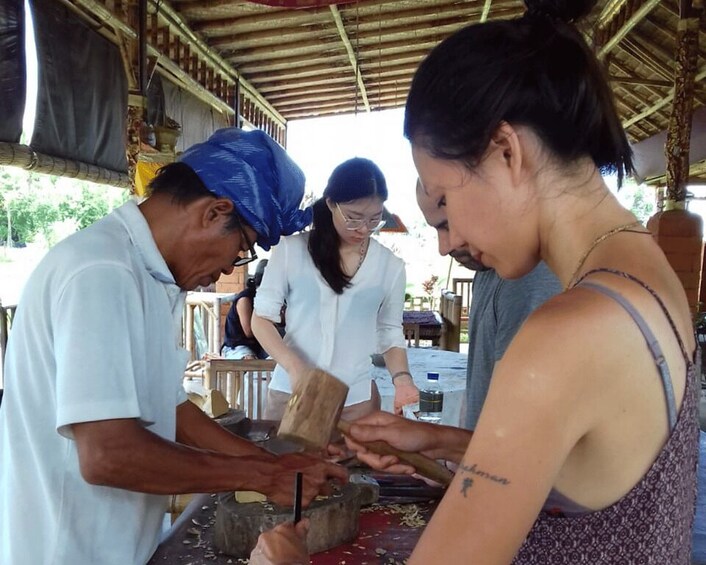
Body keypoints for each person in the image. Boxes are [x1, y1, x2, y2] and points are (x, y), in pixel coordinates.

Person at [255, 1, 700, 563]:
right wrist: (439, 441)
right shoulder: (648, 272)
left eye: (445, 199)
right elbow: (594, 467)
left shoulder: (568, 332)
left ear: (507, 151)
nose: (446, 240)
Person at [0, 127, 347, 565]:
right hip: (67, 552)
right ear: (214, 211)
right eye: (240, 248)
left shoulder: (153, 277)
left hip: (123, 548)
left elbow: (172, 407)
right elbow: (107, 455)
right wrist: (263, 474)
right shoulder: (101, 272)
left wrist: (272, 462)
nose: (227, 271)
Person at [251, 157, 419, 422]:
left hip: (355, 400)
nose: (364, 229)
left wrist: (403, 379)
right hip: (292, 393)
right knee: (281, 462)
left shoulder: (390, 266)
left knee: (350, 465)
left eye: (375, 219)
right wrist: (296, 368)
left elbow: (389, 331)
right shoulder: (291, 251)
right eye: (353, 218)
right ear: (331, 203)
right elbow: (261, 319)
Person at [416, 180, 562, 430]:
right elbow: (479, 380)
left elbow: (521, 423)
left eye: (448, 225)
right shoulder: (485, 270)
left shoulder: (528, 279)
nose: (444, 247)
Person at [221, 259, 271, 360]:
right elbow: (249, 331)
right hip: (237, 347)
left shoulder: (271, 298)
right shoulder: (245, 299)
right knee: (250, 361)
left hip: (259, 346)